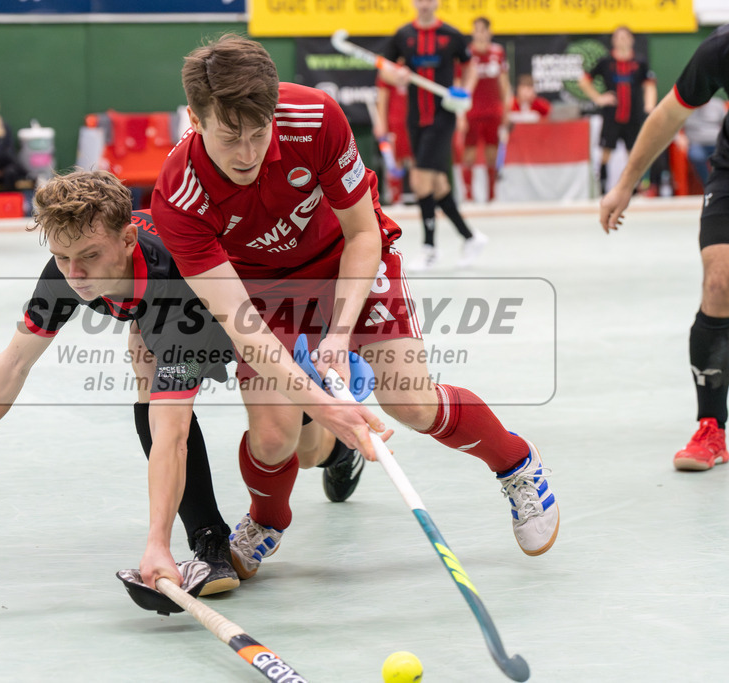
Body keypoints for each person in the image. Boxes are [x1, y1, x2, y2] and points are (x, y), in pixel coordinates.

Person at [151, 34, 559, 581]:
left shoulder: (315, 118)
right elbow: (241, 325)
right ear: (195, 121)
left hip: (345, 259)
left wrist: (337, 337)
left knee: (410, 402)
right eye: (230, 137)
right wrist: (323, 406)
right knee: (274, 436)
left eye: (258, 132)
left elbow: (363, 231)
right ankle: (266, 519)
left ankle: (516, 464)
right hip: (262, 290)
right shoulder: (178, 195)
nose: (247, 153)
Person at [0, 169, 244, 595]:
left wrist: (155, 545)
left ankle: (336, 450)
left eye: (89, 256)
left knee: (295, 443)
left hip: (235, 304)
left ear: (127, 240)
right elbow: (14, 362)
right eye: (63, 257)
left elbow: (172, 436)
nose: (75, 274)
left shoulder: (173, 283)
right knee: (148, 372)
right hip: (155, 314)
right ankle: (211, 541)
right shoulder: (66, 269)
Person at [600, 25, 729, 472]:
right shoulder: (721, 48)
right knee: (719, 280)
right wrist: (624, 185)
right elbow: (667, 116)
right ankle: (711, 426)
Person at [380, 0, 487, 270]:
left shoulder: (451, 35)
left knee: (419, 180)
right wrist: (398, 77)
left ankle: (429, 248)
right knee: (437, 184)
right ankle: (470, 237)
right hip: (415, 117)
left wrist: (467, 91)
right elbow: (385, 70)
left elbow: (470, 66)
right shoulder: (403, 35)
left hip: (443, 116)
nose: (424, 4)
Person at [579, 26, 657, 194]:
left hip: (633, 116)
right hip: (612, 116)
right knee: (606, 153)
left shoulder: (640, 62)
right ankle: (602, 188)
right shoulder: (606, 62)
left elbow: (650, 85)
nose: (622, 40)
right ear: (613, 41)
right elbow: (584, 81)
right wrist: (599, 98)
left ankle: (635, 189)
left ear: (632, 40)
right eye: (618, 37)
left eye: (625, 36)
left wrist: (649, 107)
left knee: (635, 154)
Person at [457, 17, 510, 203]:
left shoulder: (498, 52)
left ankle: (491, 196)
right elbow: (459, 84)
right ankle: (469, 196)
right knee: (469, 154)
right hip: (472, 111)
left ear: (489, 32)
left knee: (492, 154)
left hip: (493, 110)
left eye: (482, 30)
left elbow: (504, 83)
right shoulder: (466, 54)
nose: (479, 34)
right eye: (476, 30)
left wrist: (506, 109)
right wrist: (460, 114)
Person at [374, 75, 413, 206]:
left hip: (414, 122)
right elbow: (382, 99)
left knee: (416, 160)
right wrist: (380, 123)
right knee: (394, 161)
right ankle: (396, 198)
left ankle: (422, 196)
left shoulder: (414, 65)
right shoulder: (388, 71)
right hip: (394, 123)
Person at [682, 96, 726, 186]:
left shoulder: (717, 104)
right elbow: (673, 126)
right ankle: (709, 185)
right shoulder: (685, 107)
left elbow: (726, 124)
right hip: (696, 143)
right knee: (696, 156)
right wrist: (680, 138)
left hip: (717, 142)